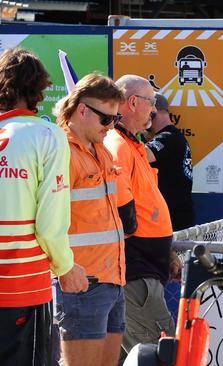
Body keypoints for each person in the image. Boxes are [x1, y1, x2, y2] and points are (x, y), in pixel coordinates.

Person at [0, 48, 88, 365]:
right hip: (21, 287)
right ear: (39, 88)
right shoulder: (47, 134)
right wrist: (65, 267)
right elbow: (50, 225)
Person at [104, 75, 181, 358]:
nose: (153, 109)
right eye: (150, 102)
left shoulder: (130, 145)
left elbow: (147, 206)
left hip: (143, 273)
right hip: (136, 275)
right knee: (164, 356)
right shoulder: (118, 145)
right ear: (133, 102)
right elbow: (122, 213)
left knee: (137, 357)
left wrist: (167, 252)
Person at [53, 73, 126, 366]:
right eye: (107, 119)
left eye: (116, 119)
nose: (112, 127)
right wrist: (66, 269)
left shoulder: (101, 151)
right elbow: (49, 220)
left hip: (112, 279)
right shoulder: (62, 152)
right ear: (82, 110)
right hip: (83, 283)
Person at [144, 93, 195, 231]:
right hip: (174, 219)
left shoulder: (168, 138)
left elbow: (142, 155)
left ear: (154, 112)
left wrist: (130, 131)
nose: (143, 117)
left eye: (145, 111)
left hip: (172, 222)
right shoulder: (173, 136)